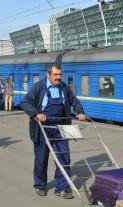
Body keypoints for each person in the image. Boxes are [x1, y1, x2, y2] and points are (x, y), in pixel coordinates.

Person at [21, 63, 86, 199]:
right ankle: (40, 185)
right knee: (41, 159)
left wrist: (80, 112)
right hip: (42, 128)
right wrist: (36, 113)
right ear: (48, 75)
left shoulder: (64, 88)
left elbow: (74, 101)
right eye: (55, 75)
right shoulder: (39, 87)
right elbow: (25, 102)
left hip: (60, 128)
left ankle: (61, 187)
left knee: (64, 157)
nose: (58, 78)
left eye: (60, 75)